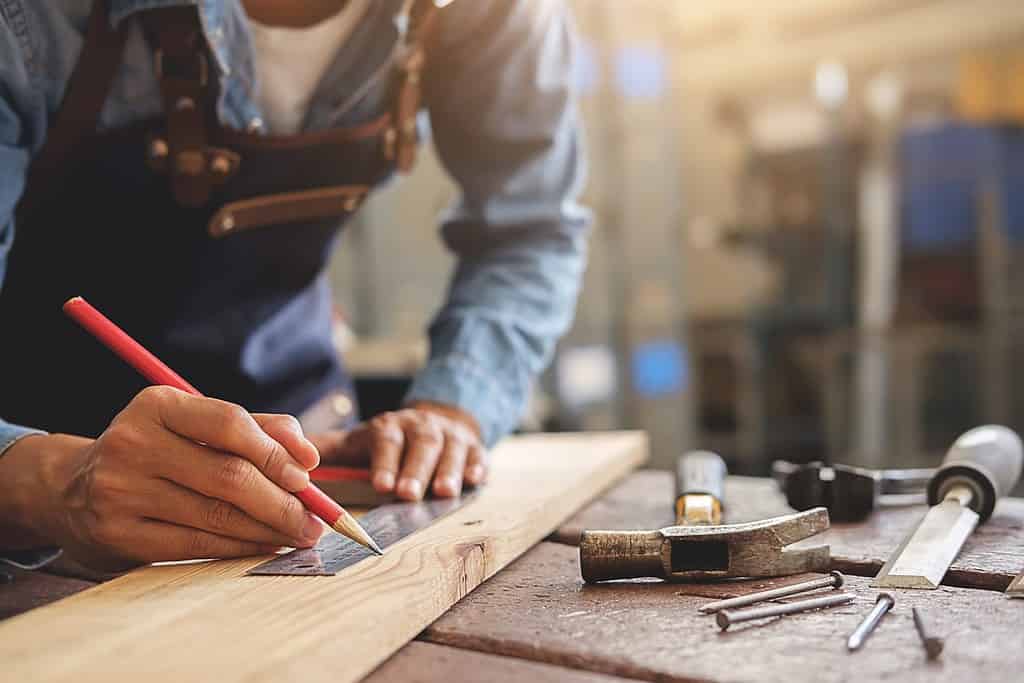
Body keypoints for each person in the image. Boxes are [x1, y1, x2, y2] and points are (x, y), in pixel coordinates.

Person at [0, 0, 587, 571]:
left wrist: (452, 412)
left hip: (298, 459)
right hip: (33, 506)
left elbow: (529, 232)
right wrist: (52, 482)